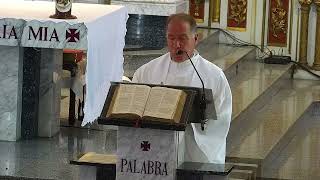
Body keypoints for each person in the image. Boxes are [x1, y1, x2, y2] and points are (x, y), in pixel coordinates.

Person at [132, 13, 232, 164]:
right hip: (154, 154)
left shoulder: (214, 76)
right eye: (171, 38)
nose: (177, 45)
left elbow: (221, 119)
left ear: (195, 39)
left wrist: (189, 128)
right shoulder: (146, 72)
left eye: (182, 38)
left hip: (195, 154)